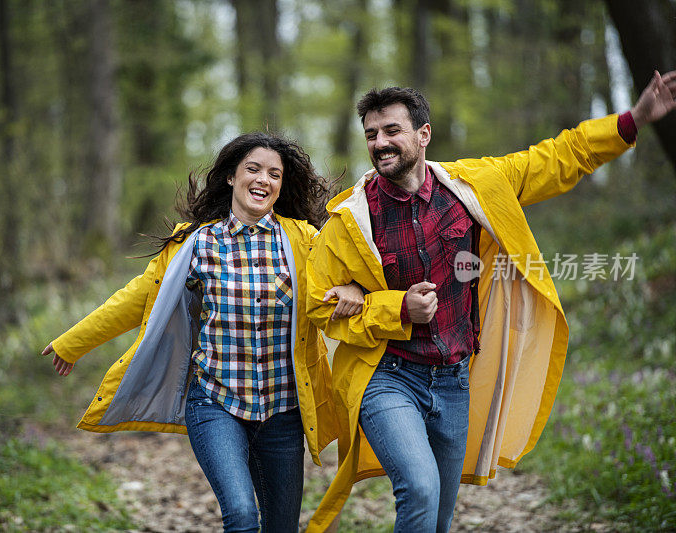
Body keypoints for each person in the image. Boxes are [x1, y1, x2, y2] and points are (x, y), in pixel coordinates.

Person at [304, 70, 676, 532]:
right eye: (372, 134)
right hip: (387, 377)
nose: (380, 142)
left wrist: (634, 119)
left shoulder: (476, 187)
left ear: (424, 135)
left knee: (437, 513)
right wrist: (395, 308)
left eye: (392, 130)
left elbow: (560, 156)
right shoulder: (350, 218)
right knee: (419, 488)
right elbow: (318, 305)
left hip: (454, 380)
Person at [42, 131, 365, 532]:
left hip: (284, 411)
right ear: (232, 176)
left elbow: (352, 271)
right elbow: (136, 298)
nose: (263, 179)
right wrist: (73, 342)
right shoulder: (195, 244)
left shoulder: (304, 241)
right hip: (216, 401)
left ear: (282, 186)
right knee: (242, 516)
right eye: (253, 169)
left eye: (274, 174)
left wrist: (354, 287)